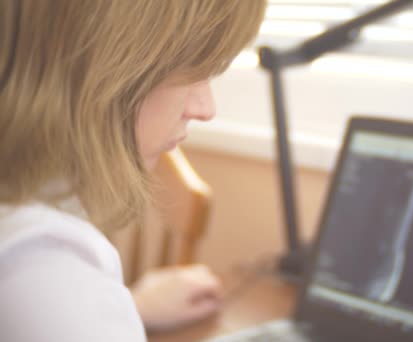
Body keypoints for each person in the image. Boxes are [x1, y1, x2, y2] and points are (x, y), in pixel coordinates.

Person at [0, 0, 267, 341]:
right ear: (100, 61)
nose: (205, 108)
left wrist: (124, 306)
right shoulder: (40, 264)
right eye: (192, 70)